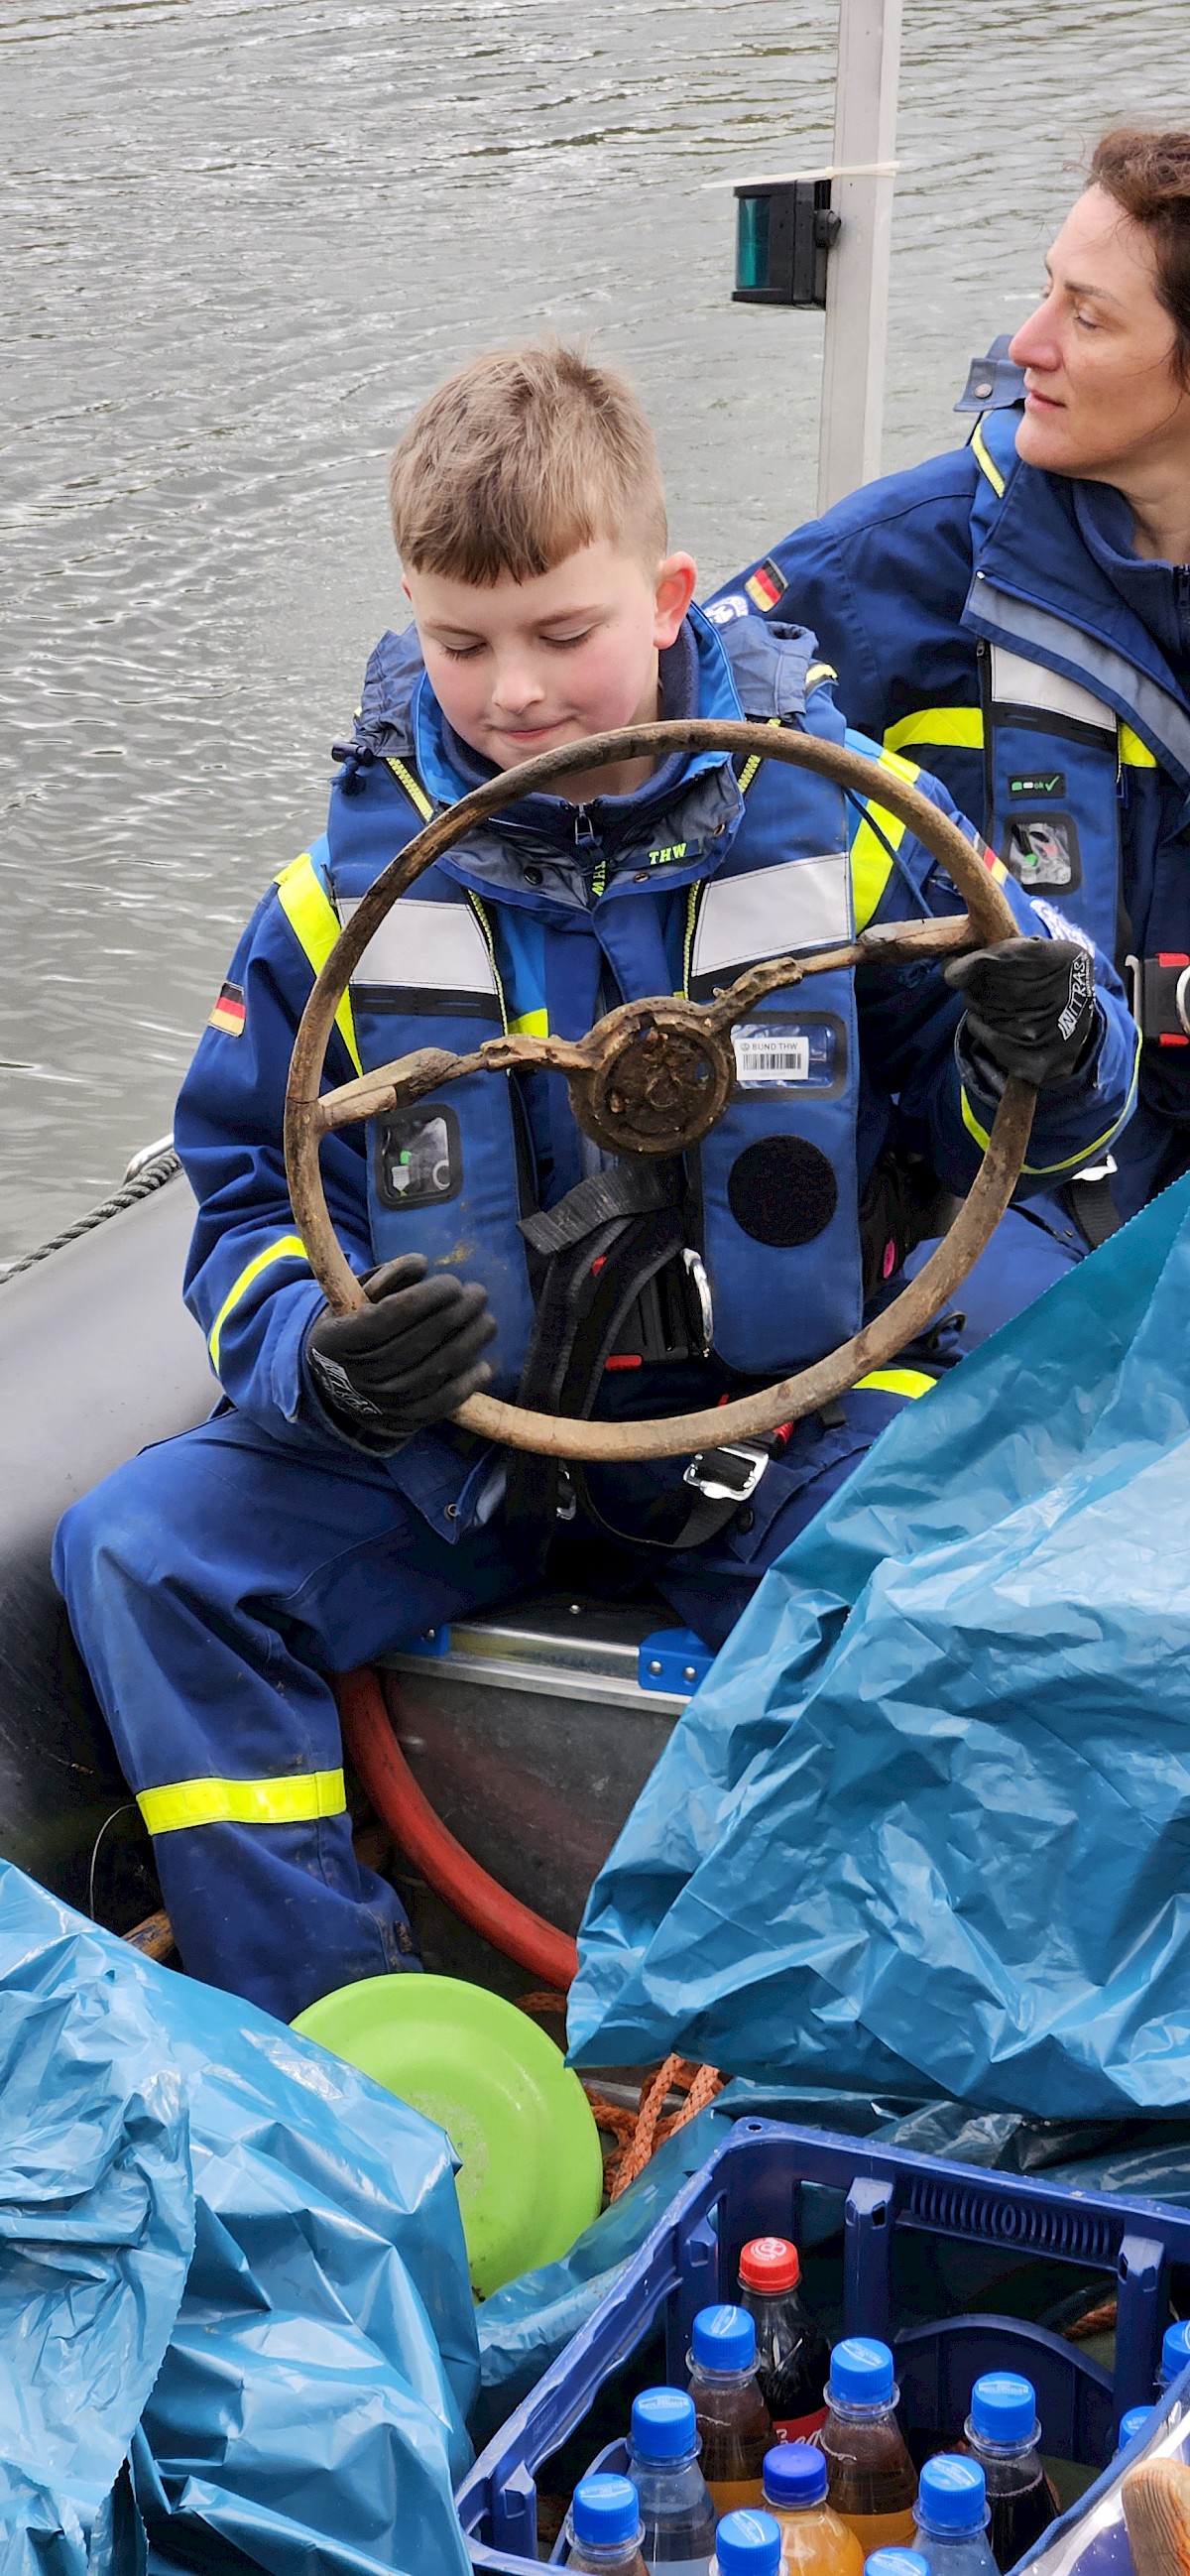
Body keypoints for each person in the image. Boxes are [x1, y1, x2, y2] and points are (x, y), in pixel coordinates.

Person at [55, 344, 1135, 2024]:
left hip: (788, 1429)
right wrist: (315, 1369)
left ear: (670, 593)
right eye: (460, 643)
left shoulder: (856, 831)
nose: (516, 694)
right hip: (457, 1458)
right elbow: (245, 1200)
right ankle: (336, 2037)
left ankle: (808, 2028)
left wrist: (1053, 1042)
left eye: (565, 633)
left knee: (981, 1578)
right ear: (411, 619)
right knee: (143, 1550)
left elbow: (1025, 1138)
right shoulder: (331, 909)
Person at [719, 123, 1190, 1253]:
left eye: (1087, 316)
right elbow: (663, 710)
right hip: (1042, 1202)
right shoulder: (906, 562)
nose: (1025, 344)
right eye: (1046, 293)